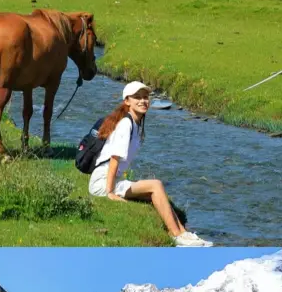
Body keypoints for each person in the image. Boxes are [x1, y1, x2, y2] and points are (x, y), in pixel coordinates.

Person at [89, 81, 212, 247]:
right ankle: (177, 236)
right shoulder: (126, 124)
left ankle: (182, 232)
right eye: (137, 98)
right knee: (156, 184)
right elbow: (114, 160)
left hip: (111, 180)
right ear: (127, 101)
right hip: (102, 182)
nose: (143, 101)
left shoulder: (135, 123)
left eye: (145, 97)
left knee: (154, 194)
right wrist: (110, 192)